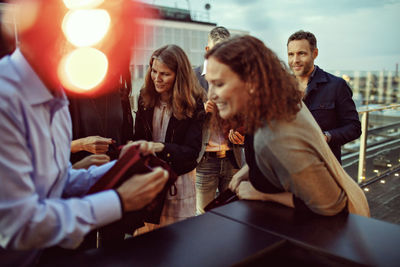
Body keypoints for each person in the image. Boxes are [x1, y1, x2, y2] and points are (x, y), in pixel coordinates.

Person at [0, 1, 168, 266]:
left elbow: (57, 183)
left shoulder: (58, 94)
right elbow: (18, 226)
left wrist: (124, 164)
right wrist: (119, 200)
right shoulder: (5, 101)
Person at [205, 35, 369, 217]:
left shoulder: (275, 134)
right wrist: (244, 172)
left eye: (219, 84)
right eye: (210, 83)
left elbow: (332, 204)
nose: (211, 95)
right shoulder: (276, 103)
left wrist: (260, 194)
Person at [132, 44, 206, 233]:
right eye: (154, 71)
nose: (157, 78)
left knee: (176, 245)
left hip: (178, 183)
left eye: (164, 74)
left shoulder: (194, 102)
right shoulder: (144, 97)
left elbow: (191, 153)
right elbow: (137, 139)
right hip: (149, 182)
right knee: (147, 247)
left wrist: (160, 147)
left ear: (179, 76)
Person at [287, 30, 361, 164]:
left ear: (314, 54)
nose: (295, 60)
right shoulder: (282, 87)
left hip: (323, 168)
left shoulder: (336, 85)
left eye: (301, 53)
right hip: (288, 168)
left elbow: (354, 127)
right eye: (291, 54)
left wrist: (325, 137)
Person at [194, 26, 245, 214]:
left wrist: (242, 135)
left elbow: (246, 116)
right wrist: (201, 110)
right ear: (207, 50)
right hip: (205, 160)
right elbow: (181, 116)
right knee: (203, 217)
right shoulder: (193, 78)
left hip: (234, 157)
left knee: (234, 215)